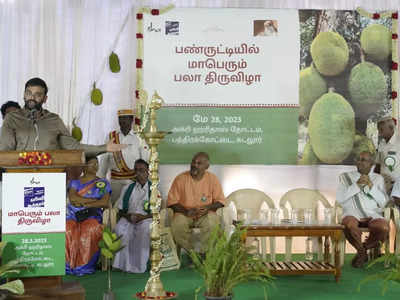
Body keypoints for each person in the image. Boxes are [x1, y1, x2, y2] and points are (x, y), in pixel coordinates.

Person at [0, 77, 126, 156]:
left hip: (50, 176)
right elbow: (5, 151)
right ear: (24, 95)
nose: (32, 98)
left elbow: (73, 147)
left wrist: (104, 148)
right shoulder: (12, 118)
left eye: (37, 94)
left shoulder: (54, 120)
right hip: (19, 177)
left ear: (45, 99)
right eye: (29, 93)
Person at [337, 151, 389, 268]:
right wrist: (356, 185)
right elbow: (340, 199)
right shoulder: (345, 177)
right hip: (352, 213)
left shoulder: (378, 179)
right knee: (349, 225)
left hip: (372, 214)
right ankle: (362, 252)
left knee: (384, 228)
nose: (360, 162)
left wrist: (371, 187)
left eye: (364, 160)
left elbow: (383, 202)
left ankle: (363, 249)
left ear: (371, 164)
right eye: (359, 159)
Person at [167, 152, 225, 255]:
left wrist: (208, 207)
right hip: (184, 213)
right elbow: (172, 202)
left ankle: (204, 253)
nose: (195, 165)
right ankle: (192, 253)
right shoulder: (180, 179)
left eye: (199, 163)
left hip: (205, 214)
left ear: (206, 166)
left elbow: (220, 201)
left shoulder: (213, 179)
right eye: (193, 162)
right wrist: (186, 211)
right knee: (177, 225)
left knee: (212, 223)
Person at [65, 157, 111, 275]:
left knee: (90, 228)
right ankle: (68, 265)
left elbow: (104, 202)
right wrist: (93, 200)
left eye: (97, 164)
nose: (96, 166)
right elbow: (73, 198)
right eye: (92, 164)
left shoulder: (103, 183)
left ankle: (84, 266)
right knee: (67, 228)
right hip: (73, 214)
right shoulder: (75, 182)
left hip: (92, 215)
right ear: (84, 166)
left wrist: (84, 202)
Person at [97, 109, 149, 205]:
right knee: (115, 211)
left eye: (125, 118)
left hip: (133, 182)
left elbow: (145, 161)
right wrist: (100, 181)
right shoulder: (111, 137)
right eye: (120, 118)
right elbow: (104, 161)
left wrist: (144, 183)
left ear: (131, 120)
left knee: (131, 208)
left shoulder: (139, 138)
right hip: (115, 182)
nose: (122, 121)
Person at [112, 159, 152, 273]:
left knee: (144, 230)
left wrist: (142, 217)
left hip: (146, 219)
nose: (138, 173)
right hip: (129, 218)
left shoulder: (154, 189)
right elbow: (120, 210)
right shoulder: (127, 188)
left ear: (148, 172)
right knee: (120, 229)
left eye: (141, 170)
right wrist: (128, 216)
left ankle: (139, 267)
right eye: (136, 170)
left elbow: (157, 212)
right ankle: (123, 265)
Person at [376, 115, 400, 193]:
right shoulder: (381, 143)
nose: (379, 133)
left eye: (381, 130)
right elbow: (378, 164)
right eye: (378, 130)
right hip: (383, 184)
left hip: (397, 185)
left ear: (391, 128)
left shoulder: (398, 142)